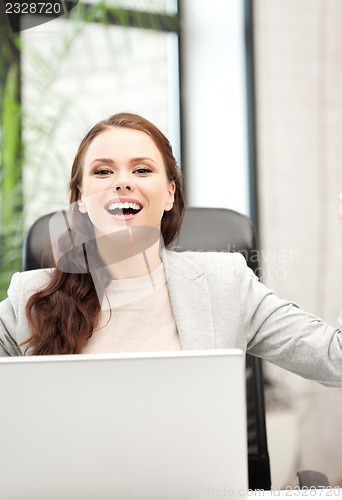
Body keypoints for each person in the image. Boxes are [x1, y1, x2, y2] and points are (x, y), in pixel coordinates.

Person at [0, 112, 341, 388]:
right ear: (80, 200)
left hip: (197, 476)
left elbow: (334, 358)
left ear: (169, 194)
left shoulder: (226, 285)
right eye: (103, 171)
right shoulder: (29, 299)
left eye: (142, 169)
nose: (122, 181)